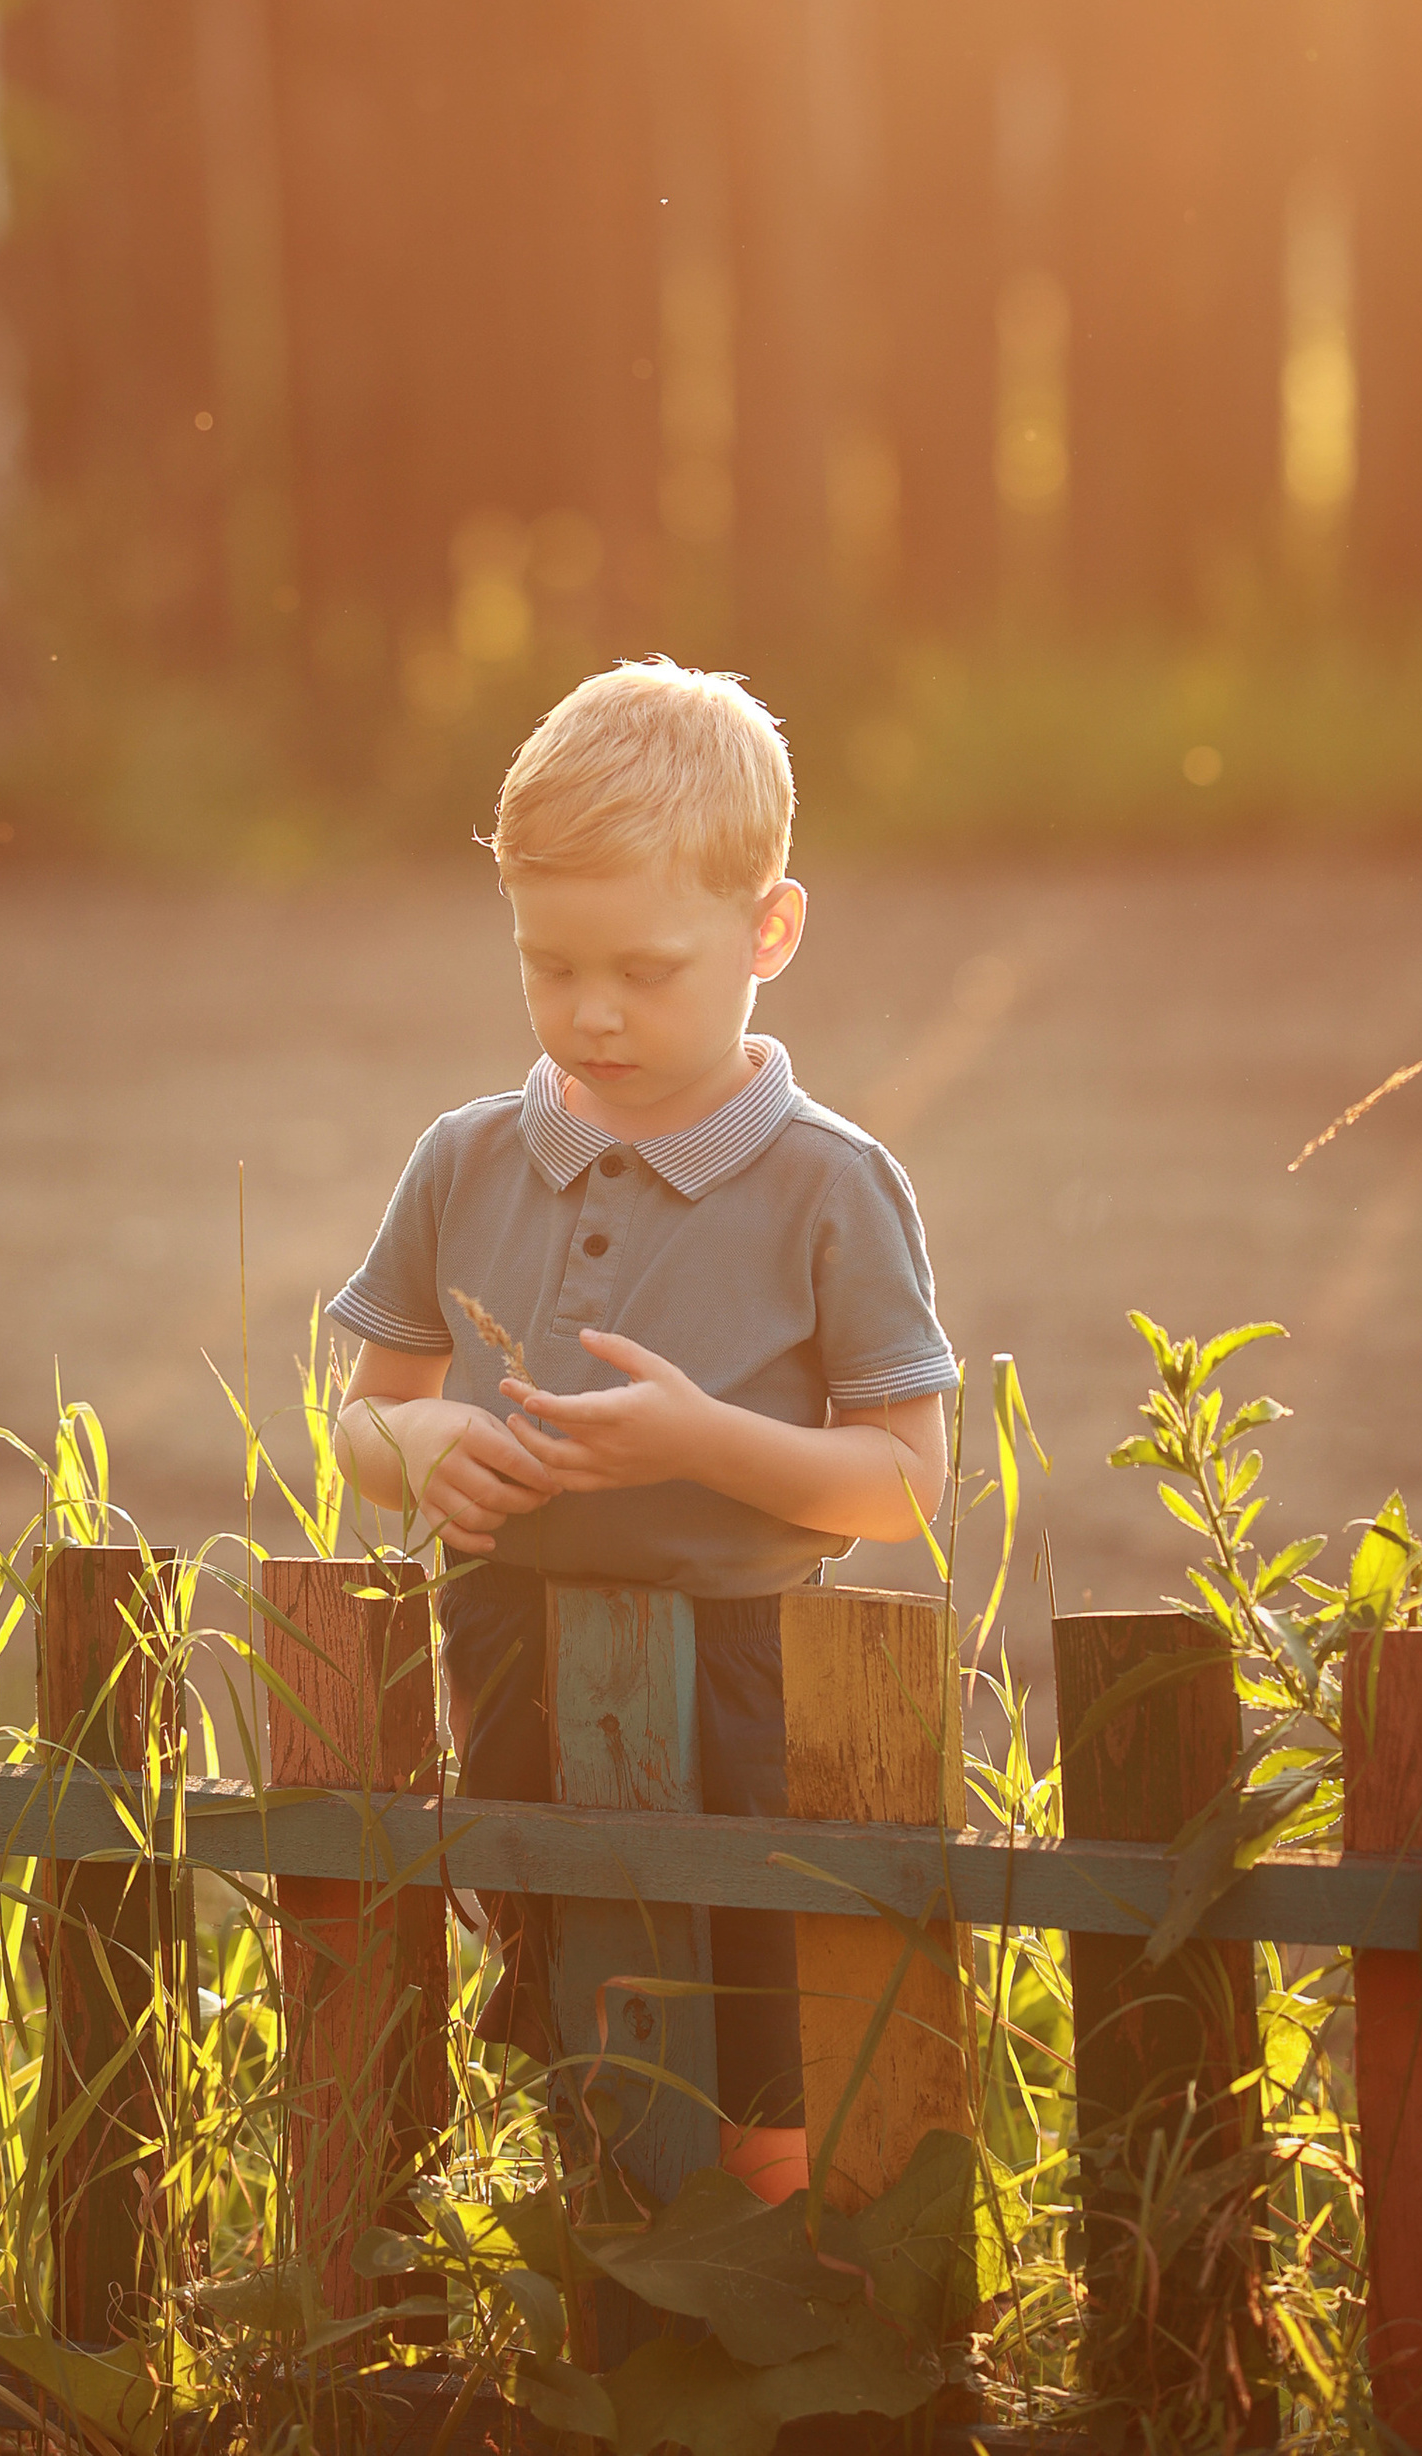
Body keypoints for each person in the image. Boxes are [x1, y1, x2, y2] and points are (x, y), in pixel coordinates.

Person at [329, 656, 957, 2199]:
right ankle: (597, 2305)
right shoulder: (467, 1160)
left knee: (762, 2060)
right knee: (574, 2025)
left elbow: (907, 1485)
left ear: (770, 932)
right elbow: (362, 1415)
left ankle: (752, 2329)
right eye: (550, 967)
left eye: (646, 971)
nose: (591, 1014)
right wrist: (415, 1452)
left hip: (749, 1678)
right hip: (514, 1642)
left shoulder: (829, 1183)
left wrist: (698, 1443)